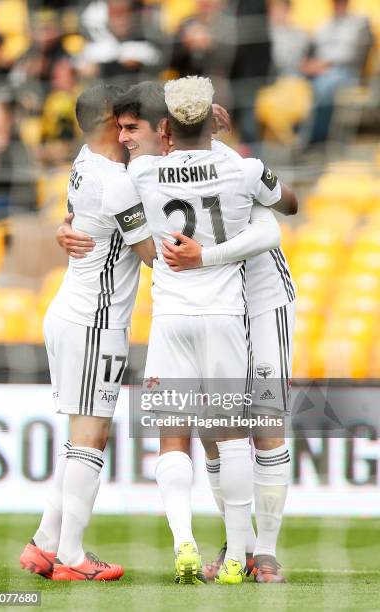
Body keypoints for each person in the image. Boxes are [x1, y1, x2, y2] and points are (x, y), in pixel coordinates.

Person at [59, 79, 297, 583]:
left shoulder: (212, 166)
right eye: (119, 128)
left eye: (132, 128)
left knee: (265, 424)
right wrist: (72, 225)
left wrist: (201, 255)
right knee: (215, 434)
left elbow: (271, 227)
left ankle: (266, 553)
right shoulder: (143, 175)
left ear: (163, 130)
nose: (124, 137)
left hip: (261, 300)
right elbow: (107, 213)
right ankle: (242, 549)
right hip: (215, 311)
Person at [20, 83, 155, 581]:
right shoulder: (118, 185)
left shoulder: (83, 161)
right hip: (95, 322)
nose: (129, 124)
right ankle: (73, 557)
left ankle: (44, 543)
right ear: (109, 120)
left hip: (69, 312)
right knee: (92, 437)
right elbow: (154, 256)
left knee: (80, 438)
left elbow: (78, 216)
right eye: (123, 115)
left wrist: (65, 224)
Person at [300, 0, 374, 143]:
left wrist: (326, 65)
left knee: (324, 86)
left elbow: (356, 56)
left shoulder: (359, 23)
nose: (339, 5)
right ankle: (295, 138)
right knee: (293, 81)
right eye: (336, 2)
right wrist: (309, 64)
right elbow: (310, 52)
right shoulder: (323, 24)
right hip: (318, 71)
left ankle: (317, 139)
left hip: (346, 72)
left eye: (342, 2)